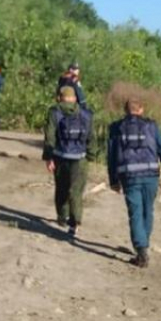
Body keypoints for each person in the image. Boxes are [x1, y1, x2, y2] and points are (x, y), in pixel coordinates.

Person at [107, 99, 161, 267]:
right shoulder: (152, 126)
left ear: (125, 110)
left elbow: (111, 156)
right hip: (151, 176)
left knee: (135, 212)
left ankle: (141, 248)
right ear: (142, 109)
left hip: (129, 176)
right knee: (148, 210)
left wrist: (113, 180)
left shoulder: (116, 127)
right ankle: (143, 244)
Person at [42, 86, 98, 237]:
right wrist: (91, 156)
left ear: (60, 97)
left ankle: (62, 216)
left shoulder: (54, 112)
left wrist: (48, 157)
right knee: (76, 192)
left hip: (60, 157)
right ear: (74, 98)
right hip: (80, 159)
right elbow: (91, 137)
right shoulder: (86, 113)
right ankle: (75, 222)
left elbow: (50, 137)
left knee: (61, 188)